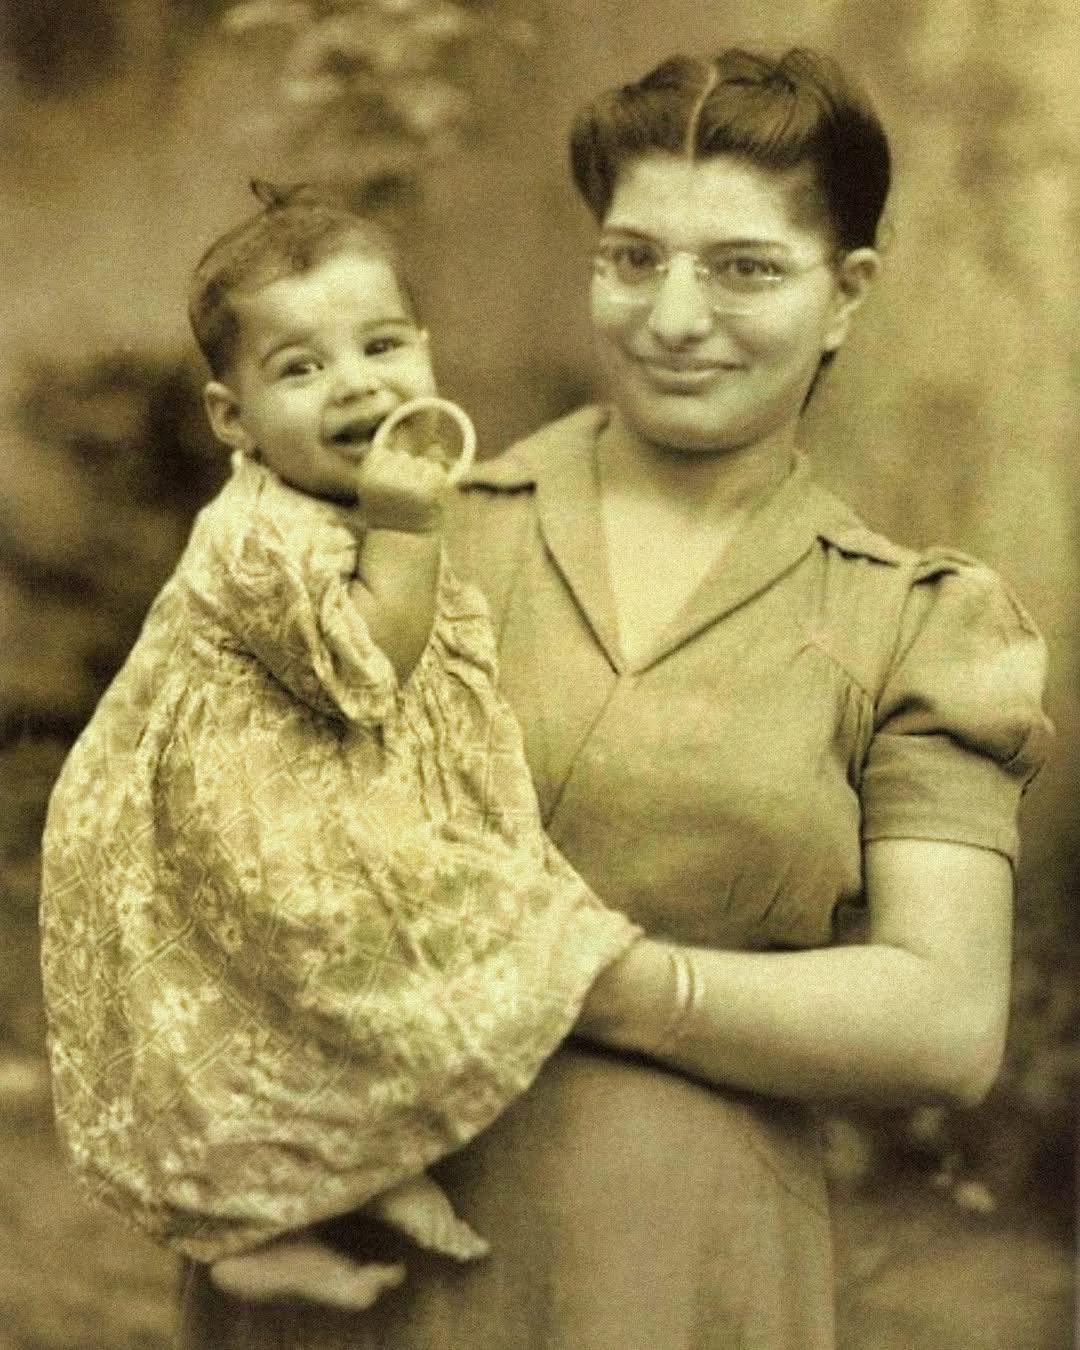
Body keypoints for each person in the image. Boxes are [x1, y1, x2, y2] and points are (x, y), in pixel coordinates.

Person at [177, 46, 1051, 1350]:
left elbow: (943, 1020)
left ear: (845, 294)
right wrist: (215, 1191)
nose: (675, 315)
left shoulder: (913, 618)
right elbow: (202, 868)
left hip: (682, 1274)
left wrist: (595, 980)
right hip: (351, 1265)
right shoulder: (396, 541)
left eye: (744, 268)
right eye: (633, 257)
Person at [38, 185, 640, 1312]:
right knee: (317, 962)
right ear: (235, 419)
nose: (357, 383)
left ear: (425, 351)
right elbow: (368, 664)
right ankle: (251, 1223)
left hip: (299, 784)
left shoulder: (343, 500)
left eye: (379, 345)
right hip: (234, 822)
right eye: (301, 368)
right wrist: (408, 527)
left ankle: (365, 1164)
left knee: (350, 966)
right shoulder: (260, 532)